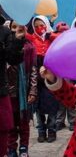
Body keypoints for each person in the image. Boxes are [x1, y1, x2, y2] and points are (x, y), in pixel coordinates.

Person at [25, 15, 59, 143]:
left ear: (46, 24)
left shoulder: (52, 37)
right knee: (37, 105)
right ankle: (41, 131)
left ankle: (52, 130)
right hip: (36, 75)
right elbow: (21, 32)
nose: (40, 28)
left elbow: (62, 39)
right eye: (37, 25)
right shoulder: (31, 38)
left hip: (51, 74)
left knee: (52, 105)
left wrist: (50, 34)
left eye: (42, 25)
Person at [6, 21, 37, 157]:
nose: (16, 30)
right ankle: (11, 148)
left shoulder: (29, 47)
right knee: (10, 122)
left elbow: (33, 70)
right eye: (13, 27)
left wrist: (33, 90)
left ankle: (24, 148)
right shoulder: (6, 48)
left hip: (24, 92)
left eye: (19, 27)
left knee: (24, 122)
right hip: (9, 92)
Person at [0, 16, 26, 157]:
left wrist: (18, 39)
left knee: (3, 131)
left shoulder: (4, 32)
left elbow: (13, 58)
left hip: (1, 92)